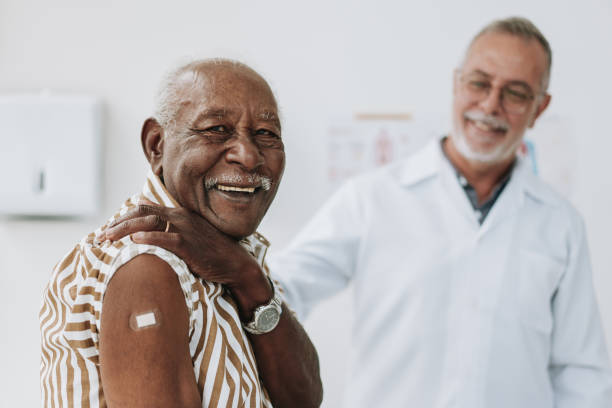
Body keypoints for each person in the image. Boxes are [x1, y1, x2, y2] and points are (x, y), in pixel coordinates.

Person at [101, 17, 612, 407]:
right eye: (480, 83)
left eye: (516, 93)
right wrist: (218, 253)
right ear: (458, 83)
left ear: (540, 107)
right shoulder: (374, 198)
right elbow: (282, 287)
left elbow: (581, 372)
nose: (491, 104)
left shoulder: (559, 224)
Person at [40, 59, 323, 408]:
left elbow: (303, 398)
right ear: (156, 145)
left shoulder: (235, 256)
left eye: (266, 134)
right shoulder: (146, 263)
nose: (249, 156)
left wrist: (248, 277)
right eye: (217, 129)